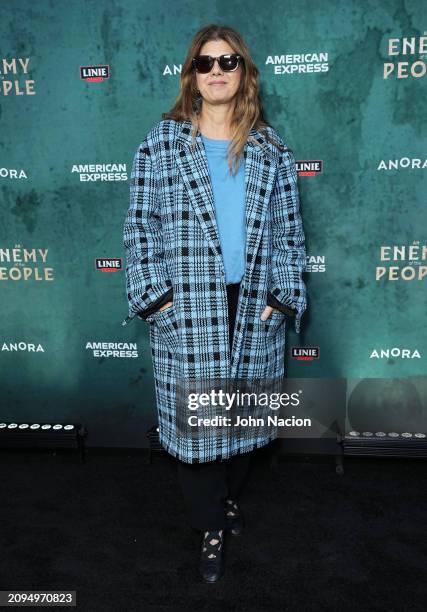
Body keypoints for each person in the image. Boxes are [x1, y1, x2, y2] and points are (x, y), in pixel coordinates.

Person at [122, 23, 308, 583]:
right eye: (206, 63)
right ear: (192, 75)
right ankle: (210, 525)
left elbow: (290, 234)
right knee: (195, 424)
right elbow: (139, 228)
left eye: (229, 62)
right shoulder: (161, 143)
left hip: (252, 303)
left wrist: (283, 295)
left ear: (243, 72)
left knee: (244, 418)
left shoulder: (272, 150)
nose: (218, 72)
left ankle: (226, 500)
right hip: (188, 302)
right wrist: (156, 300)